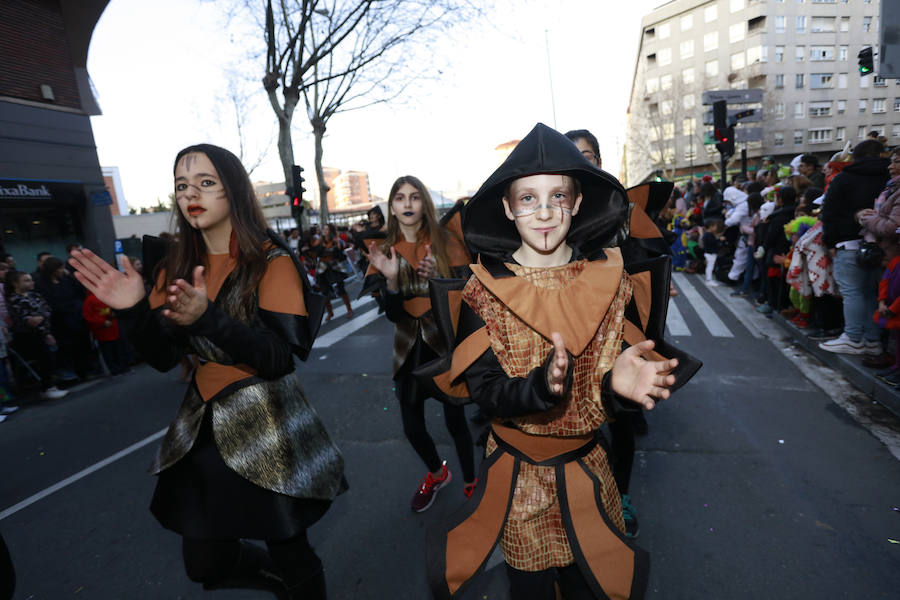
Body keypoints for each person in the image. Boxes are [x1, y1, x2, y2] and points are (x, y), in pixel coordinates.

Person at [425, 124, 700, 600]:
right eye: (528, 198)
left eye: (558, 196)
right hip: (517, 484)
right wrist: (538, 388)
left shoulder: (612, 277)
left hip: (589, 472)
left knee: (590, 588)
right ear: (508, 209)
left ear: (576, 204)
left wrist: (618, 388)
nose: (545, 210)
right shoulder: (481, 288)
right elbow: (486, 392)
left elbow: (610, 394)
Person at [68, 144, 345, 599]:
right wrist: (135, 309)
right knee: (204, 562)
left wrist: (209, 318)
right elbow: (160, 358)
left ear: (232, 191)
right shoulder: (173, 266)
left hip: (266, 419)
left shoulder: (269, 261)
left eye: (206, 182)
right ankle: (282, 585)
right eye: (181, 184)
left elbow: (279, 358)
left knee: (289, 546)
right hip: (201, 425)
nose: (190, 192)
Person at [364, 175, 477, 512]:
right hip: (406, 347)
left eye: (414, 197)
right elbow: (393, 315)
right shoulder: (384, 251)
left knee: (456, 420)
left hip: (444, 343)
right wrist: (394, 281)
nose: (408, 204)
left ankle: (471, 479)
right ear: (392, 208)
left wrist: (438, 281)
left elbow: (469, 299)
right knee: (412, 427)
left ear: (423, 203)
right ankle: (436, 473)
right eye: (400, 198)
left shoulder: (446, 241)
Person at [819, 139, 890, 354]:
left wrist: (830, 242)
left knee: (852, 292)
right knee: (870, 292)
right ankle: (872, 339)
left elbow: (828, 213)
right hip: (882, 246)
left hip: (847, 243)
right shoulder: (890, 180)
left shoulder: (845, 179)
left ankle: (852, 337)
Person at [5, 271, 68, 399]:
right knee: (43, 359)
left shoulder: (35, 295)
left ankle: (52, 385)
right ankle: (47, 387)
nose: (31, 282)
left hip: (44, 332)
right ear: (15, 283)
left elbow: (48, 310)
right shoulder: (14, 299)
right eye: (26, 280)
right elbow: (29, 321)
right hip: (28, 336)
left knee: (50, 358)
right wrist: (41, 317)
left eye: (31, 280)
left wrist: (43, 324)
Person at [701, 221, 723, 286]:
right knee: (710, 267)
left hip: (708, 253)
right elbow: (713, 243)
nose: (716, 228)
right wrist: (719, 240)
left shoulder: (706, 234)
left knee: (710, 266)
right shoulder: (709, 234)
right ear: (711, 227)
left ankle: (709, 279)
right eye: (715, 226)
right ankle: (708, 280)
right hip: (710, 253)